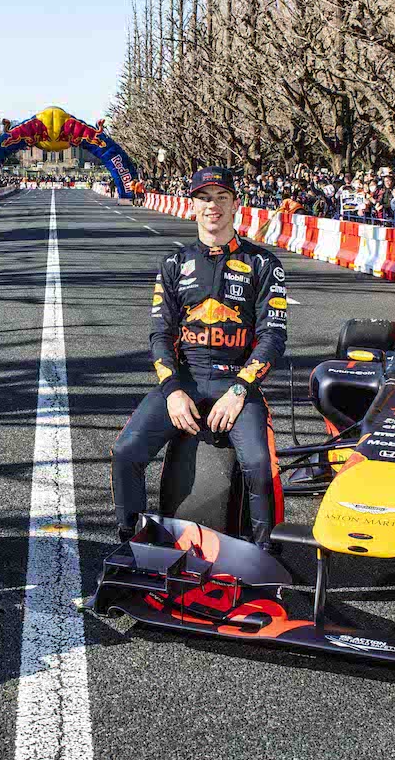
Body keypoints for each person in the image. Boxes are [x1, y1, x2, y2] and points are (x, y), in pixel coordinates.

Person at [110, 167, 288, 547]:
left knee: (259, 467)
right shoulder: (174, 264)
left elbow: (273, 337)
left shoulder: (264, 265)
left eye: (222, 198)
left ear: (236, 205)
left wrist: (240, 390)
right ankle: (132, 544)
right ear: (193, 206)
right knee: (126, 452)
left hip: (237, 382)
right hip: (186, 379)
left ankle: (265, 554)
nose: (213, 207)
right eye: (205, 198)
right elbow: (160, 335)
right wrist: (173, 390)